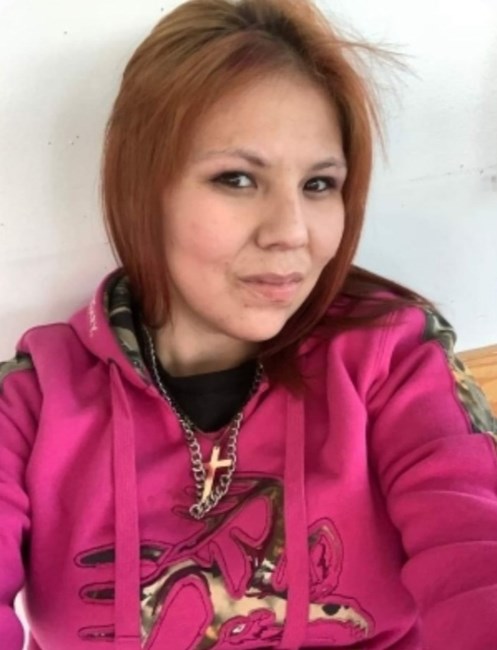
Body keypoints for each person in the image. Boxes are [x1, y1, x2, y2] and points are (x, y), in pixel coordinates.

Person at [1, 0, 497, 648]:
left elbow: (478, 545)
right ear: (143, 190)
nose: (291, 232)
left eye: (319, 185)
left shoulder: (391, 359)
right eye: (236, 179)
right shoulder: (33, 402)